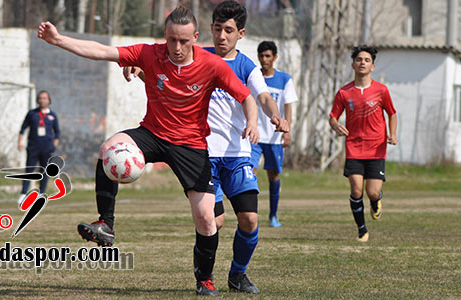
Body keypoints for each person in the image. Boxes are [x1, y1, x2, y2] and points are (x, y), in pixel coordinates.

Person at [38, 6, 276, 296]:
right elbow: (101, 51)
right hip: (153, 133)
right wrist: (59, 39)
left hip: (190, 145)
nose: (177, 47)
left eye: (184, 41)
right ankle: (105, 224)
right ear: (165, 36)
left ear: (195, 38)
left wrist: (252, 122)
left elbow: (247, 97)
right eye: (172, 40)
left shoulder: (212, 65)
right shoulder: (150, 53)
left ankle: (205, 279)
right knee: (107, 149)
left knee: (206, 218)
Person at [123, 2, 289, 294]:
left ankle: (237, 275)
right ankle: (205, 278)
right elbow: (162, 74)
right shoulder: (194, 57)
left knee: (249, 220)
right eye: (217, 29)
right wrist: (139, 68)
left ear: (241, 33)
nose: (222, 36)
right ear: (208, 30)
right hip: (202, 154)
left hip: (237, 154)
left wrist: (274, 115)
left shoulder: (245, 66)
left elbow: (262, 96)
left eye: (229, 31)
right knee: (213, 221)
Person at [329, 45, 398, 242]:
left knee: (372, 191)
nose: (362, 63)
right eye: (359, 59)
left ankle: (376, 201)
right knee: (356, 190)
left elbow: (392, 113)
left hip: (376, 148)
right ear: (353, 64)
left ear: (372, 66)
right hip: (354, 147)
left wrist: (392, 134)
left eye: (367, 60)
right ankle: (361, 229)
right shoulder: (344, 92)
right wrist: (335, 126)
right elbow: (333, 116)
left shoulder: (381, 91)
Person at [251, 40, 298, 227]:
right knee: (250, 173)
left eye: (268, 56)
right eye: (261, 55)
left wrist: (287, 131)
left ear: (275, 57)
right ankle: (251, 214)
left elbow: (288, 106)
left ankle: (273, 215)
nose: (264, 59)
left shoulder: (284, 79)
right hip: (254, 136)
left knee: (274, 175)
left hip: (274, 137)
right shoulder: (253, 78)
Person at [17, 90, 60, 205]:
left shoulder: (52, 115)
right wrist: (20, 141)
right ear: (37, 100)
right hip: (33, 146)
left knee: (44, 170)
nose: (42, 100)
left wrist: (53, 145)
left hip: (46, 147)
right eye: (40, 98)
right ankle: (23, 193)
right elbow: (23, 128)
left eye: (44, 98)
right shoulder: (32, 114)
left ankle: (41, 194)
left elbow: (57, 132)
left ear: (49, 100)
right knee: (29, 170)